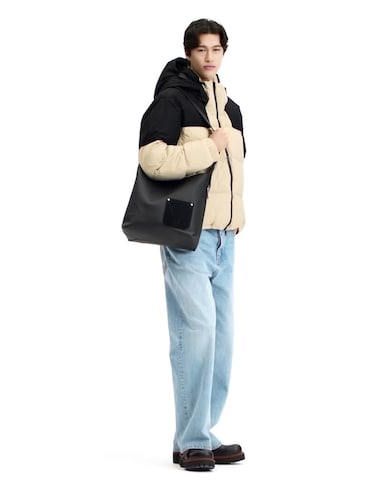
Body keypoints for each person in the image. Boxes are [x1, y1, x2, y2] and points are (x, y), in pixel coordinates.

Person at [138, 19, 246, 471]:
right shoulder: (173, 100)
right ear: (188, 53)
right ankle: (191, 440)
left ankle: (203, 430)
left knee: (221, 338)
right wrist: (209, 146)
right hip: (188, 235)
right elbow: (152, 159)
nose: (209, 57)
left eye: (216, 49)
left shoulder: (231, 108)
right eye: (201, 49)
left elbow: (233, 175)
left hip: (224, 237)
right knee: (195, 331)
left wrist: (237, 220)